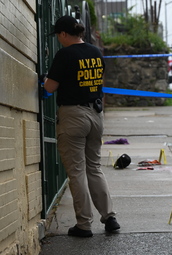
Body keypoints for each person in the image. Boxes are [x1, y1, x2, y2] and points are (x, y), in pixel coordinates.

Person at [44, 15, 120, 237]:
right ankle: (110, 217)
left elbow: (50, 87)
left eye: (58, 35)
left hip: (73, 115)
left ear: (64, 34)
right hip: (96, 114)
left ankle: (84, 224)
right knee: (94, 167)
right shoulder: (95, 52)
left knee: (77, 172)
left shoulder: (65, 54)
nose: (58, 40)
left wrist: (45, 80)